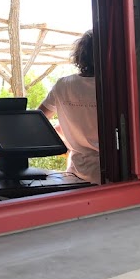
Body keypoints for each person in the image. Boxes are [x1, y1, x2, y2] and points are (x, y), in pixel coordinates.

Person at [38, 30, 99, 184]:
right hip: (110, 174)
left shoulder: (63, 85)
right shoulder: (115, 86)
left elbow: (38, 120)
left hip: (75, 174)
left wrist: (66, 134)